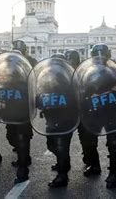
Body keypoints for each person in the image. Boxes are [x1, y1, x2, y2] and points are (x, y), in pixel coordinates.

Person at [77, 44, 116, 189]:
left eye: (102, 54)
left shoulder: (115, 70)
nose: (99, 57)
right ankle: (94, 165)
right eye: (96, 54)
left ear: (108, 55)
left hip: (112, 110)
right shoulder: (86, 71)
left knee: (115, 143)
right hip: (93, 110)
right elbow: (80, 89)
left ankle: (114, 174)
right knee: (88, 140)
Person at [42, 50, 78, 188]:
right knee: (51, 145)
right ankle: (64, 163)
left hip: (66, 118)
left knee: (62, 146)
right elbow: (40, 95)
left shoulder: (71, 79)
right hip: (51, 118)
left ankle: (62, 176)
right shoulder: (47, 79)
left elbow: (76, 98)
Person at [6, 40, 35, 183]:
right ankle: (24, 157)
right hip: (10, 105)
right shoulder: (8, 62)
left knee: (23, 137)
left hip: (23, 105)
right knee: (11, 136)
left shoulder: (31, 62)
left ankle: (23, 169)